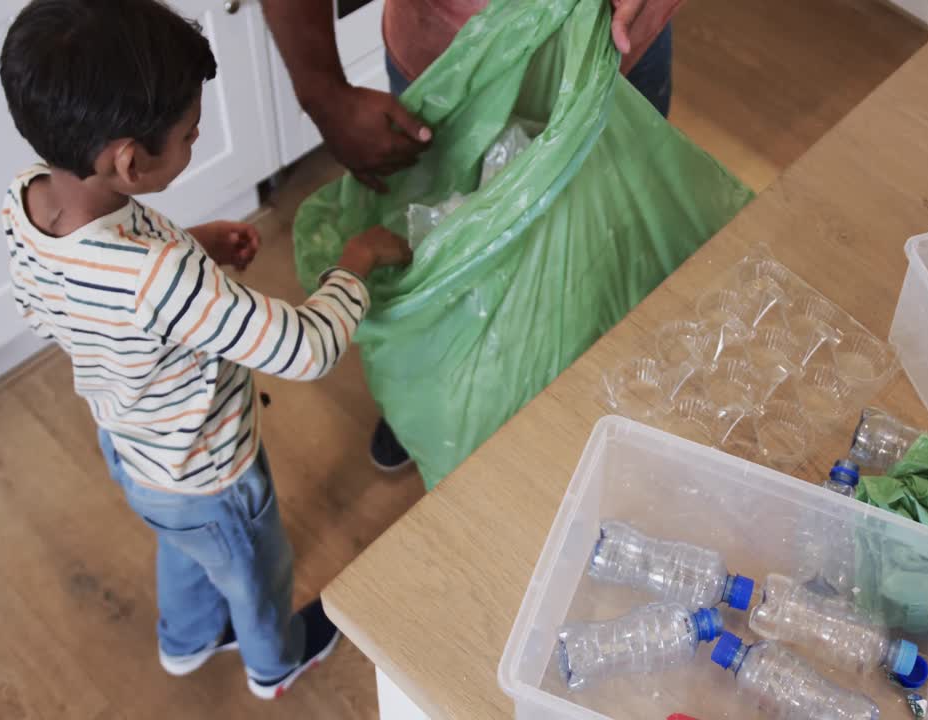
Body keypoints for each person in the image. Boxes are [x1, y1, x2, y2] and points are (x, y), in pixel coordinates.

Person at [0, 0, 412, 700]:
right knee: (254, 570)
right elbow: (303, 348)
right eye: (190, 133)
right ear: (129, 161)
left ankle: (186, 640)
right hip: (210, 471)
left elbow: (82, 295)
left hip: (133, 447)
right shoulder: (160, 279)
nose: (197, 138)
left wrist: (189, 248)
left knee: (184, 547)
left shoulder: (27, 199)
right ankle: (273, 662)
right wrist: (356, 262)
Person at [263, 0, 683, 472]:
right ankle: (444, 391)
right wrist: (324, 95)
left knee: (608, 250)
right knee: (440, 266)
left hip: (616, 44)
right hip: (446, 60)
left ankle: (579, 400)